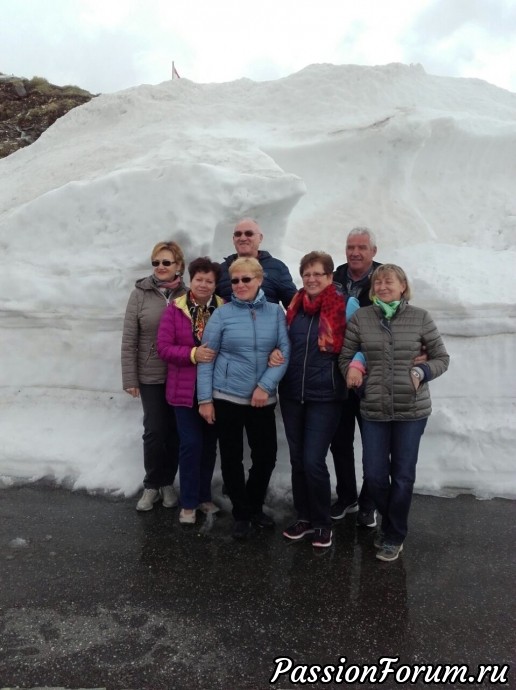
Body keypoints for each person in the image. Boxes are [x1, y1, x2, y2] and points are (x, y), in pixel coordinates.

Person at [339, 264, 450, 561]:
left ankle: (393, 534)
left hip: (411, 410)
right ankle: (390, 524)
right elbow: (346, 357)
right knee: (375, 475)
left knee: (402, 476)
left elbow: (441, 357)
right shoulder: (362, 318)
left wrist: (422, 371)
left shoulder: (420, 317)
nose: (383, 287)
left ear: (403, 287)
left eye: (389, 282)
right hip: (373, 409)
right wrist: (358, 382)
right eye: (378, 283)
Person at [197, 257, 291, 540]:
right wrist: (205, 399)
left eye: (246, 279)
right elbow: (206, 359)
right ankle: (241, 511)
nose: (239, 285)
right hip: (226, 397)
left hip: (262, 399)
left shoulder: (275, 313)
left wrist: (265, 386)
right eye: (235, 280)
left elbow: (284, 351)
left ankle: (253, 504)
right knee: (231, 457)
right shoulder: (222, 314)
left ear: (259, 280)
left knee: (265, 457)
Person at [279, 251, 359, 549]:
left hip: (326, 395)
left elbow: (359, 344)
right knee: (299, 459)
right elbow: (283, 342)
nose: (311, 279)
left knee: (313, 460)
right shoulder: (295, 305)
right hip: (291, 394)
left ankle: (323, 522)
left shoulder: (344, 305)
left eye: (318, 274)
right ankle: (304, 517)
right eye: (307, 274)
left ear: (329, 277)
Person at [156, 257, 224, 525]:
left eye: (209, 281)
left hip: (215, 391)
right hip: (183, 391)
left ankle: (204, 496)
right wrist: (194, 353)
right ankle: (188, 502)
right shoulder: (176, 309)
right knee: (191, 445)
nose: (204, 285)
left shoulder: (224, 308)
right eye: (199, 279)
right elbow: (164, 348)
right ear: (191, 280)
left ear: (215, 284)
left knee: (209, 446)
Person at [121, 241, 186, 511]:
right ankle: (151, 485)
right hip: (150, 374)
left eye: (166, 262)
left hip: (179, 373)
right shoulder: (140, 294)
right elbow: (129, 339)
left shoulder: (187, 294)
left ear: (178, 266)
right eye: (156, 262)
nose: (160, 267)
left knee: (174, 432)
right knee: (155, 430)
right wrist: (130, 379)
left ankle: (167, 482)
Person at [329, 227, 381, 526]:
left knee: (373, 444)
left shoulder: (384, 280)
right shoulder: (334, 278)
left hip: (373, 376)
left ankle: (369, 503)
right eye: (350, 246)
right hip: (339, 373)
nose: (355, 252)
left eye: (362, 247)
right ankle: (347, 496)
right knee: (340, 439)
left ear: (373, 251)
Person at [216, 218, 297, 308]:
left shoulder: (277, 268)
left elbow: (294, 306)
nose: (242, 238)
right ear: (233, 239)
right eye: (238, 234)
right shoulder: (221, 270)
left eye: (249, 234)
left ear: (260, 238)